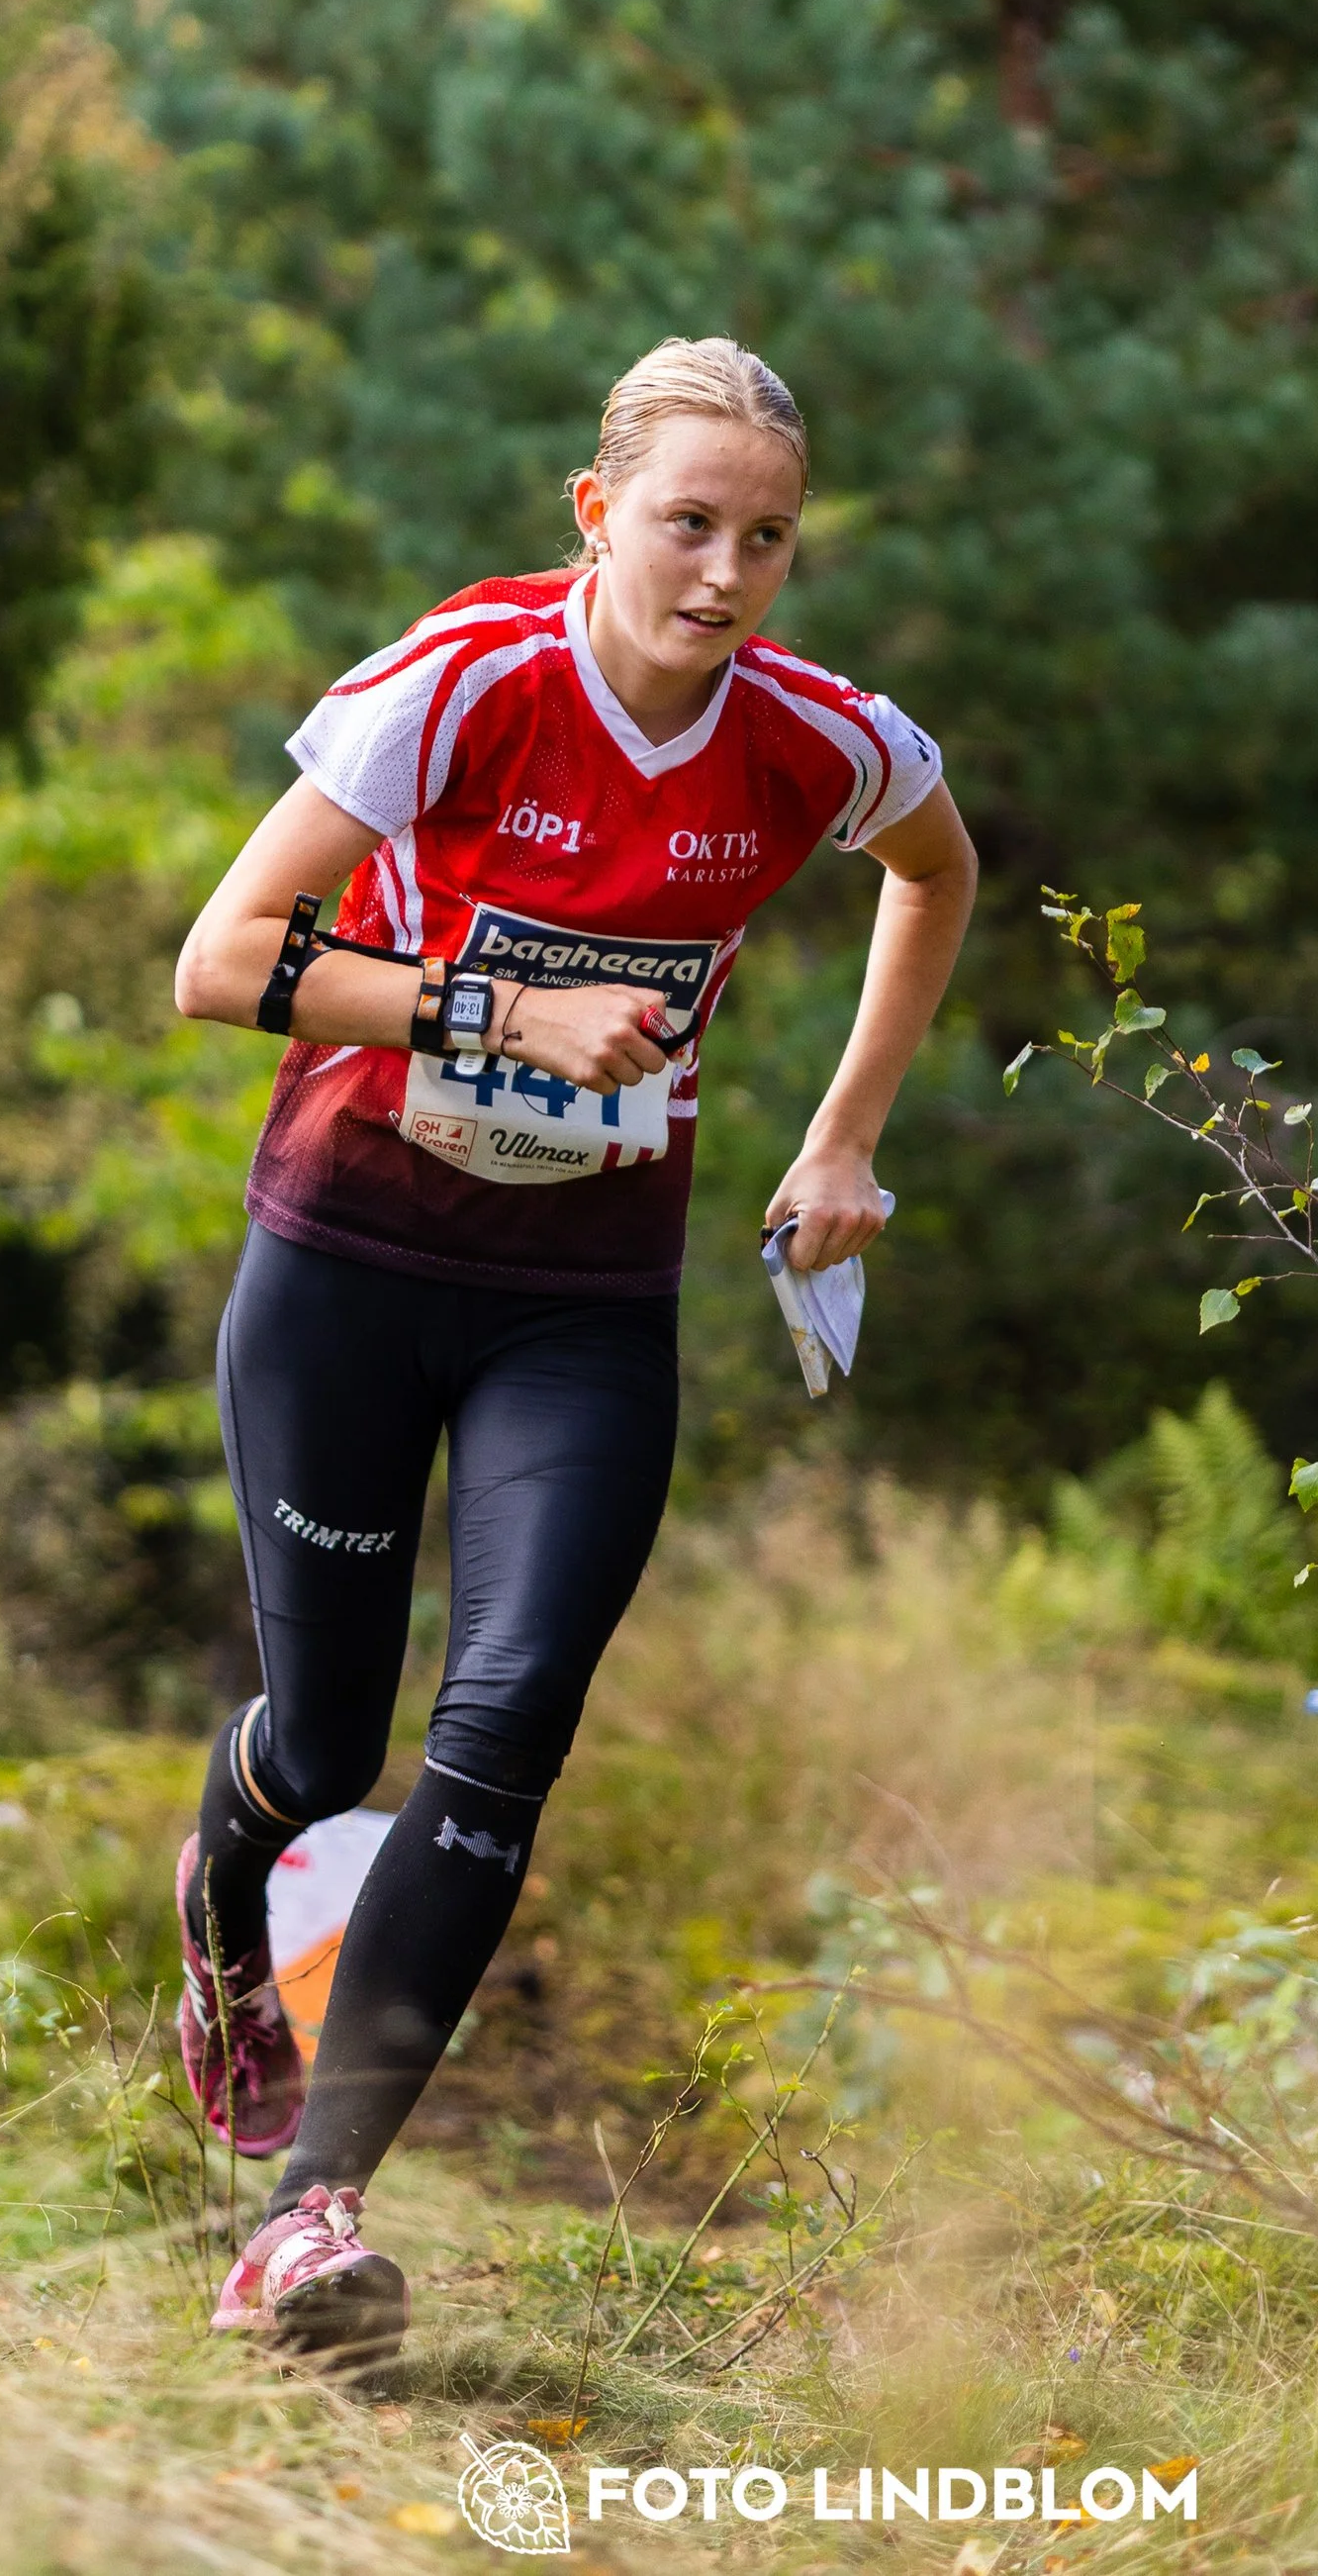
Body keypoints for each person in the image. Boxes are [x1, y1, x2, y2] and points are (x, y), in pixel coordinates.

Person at [165, 335, 976, 2360]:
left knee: (507, 1725)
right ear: (598, 511)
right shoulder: (462, 682)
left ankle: (307, 2217)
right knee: (325, 1748)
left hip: (584, 1303)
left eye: (767, 538)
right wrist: (497, 1011)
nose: (725, 572)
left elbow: (938, 869)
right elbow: (218, 959)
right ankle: (225, 1894)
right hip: (346, 1262)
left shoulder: (811, 737)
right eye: (688, 523)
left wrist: (845, 1131)